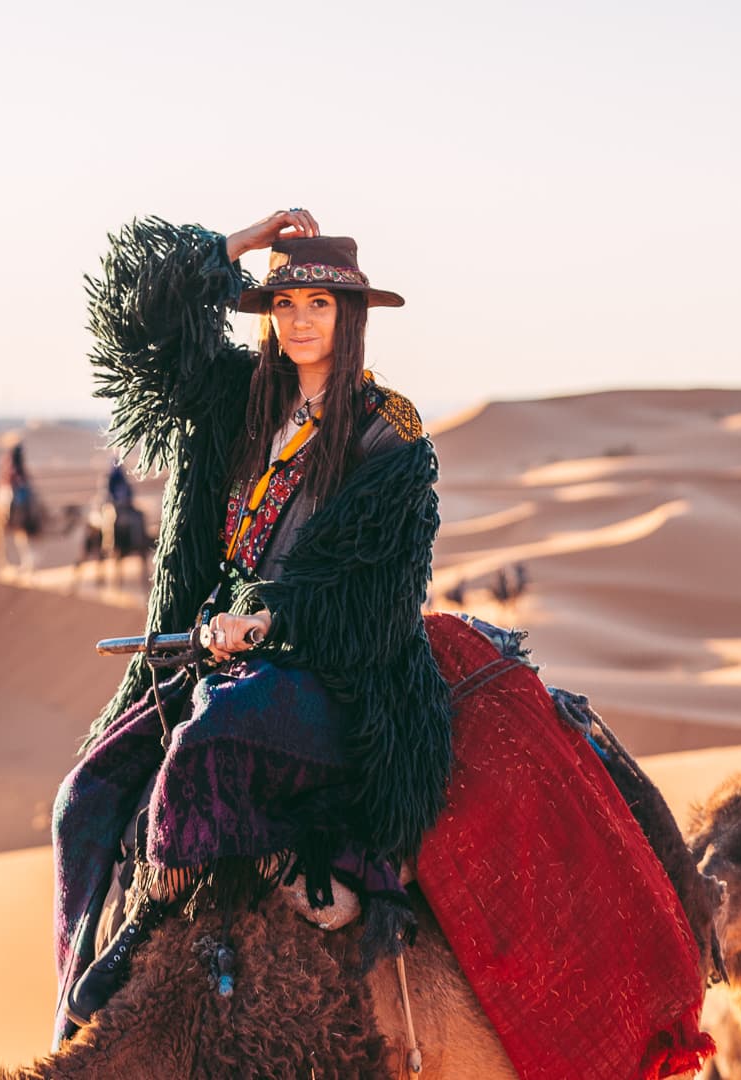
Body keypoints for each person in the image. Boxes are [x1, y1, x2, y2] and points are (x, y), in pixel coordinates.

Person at [50, 210, 448, 1037]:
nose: (301, 319)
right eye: (285, 301)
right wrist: (238, 240)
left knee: (215, 735)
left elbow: (378, 585)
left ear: (352, 318)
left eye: (320, 304)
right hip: (201, 651)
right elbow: (143, 312)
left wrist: (271, 618)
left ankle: (148, 923)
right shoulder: (233, 395)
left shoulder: (389, 428)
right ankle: (73, 1014)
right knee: (80, 798)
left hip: (329, 666)